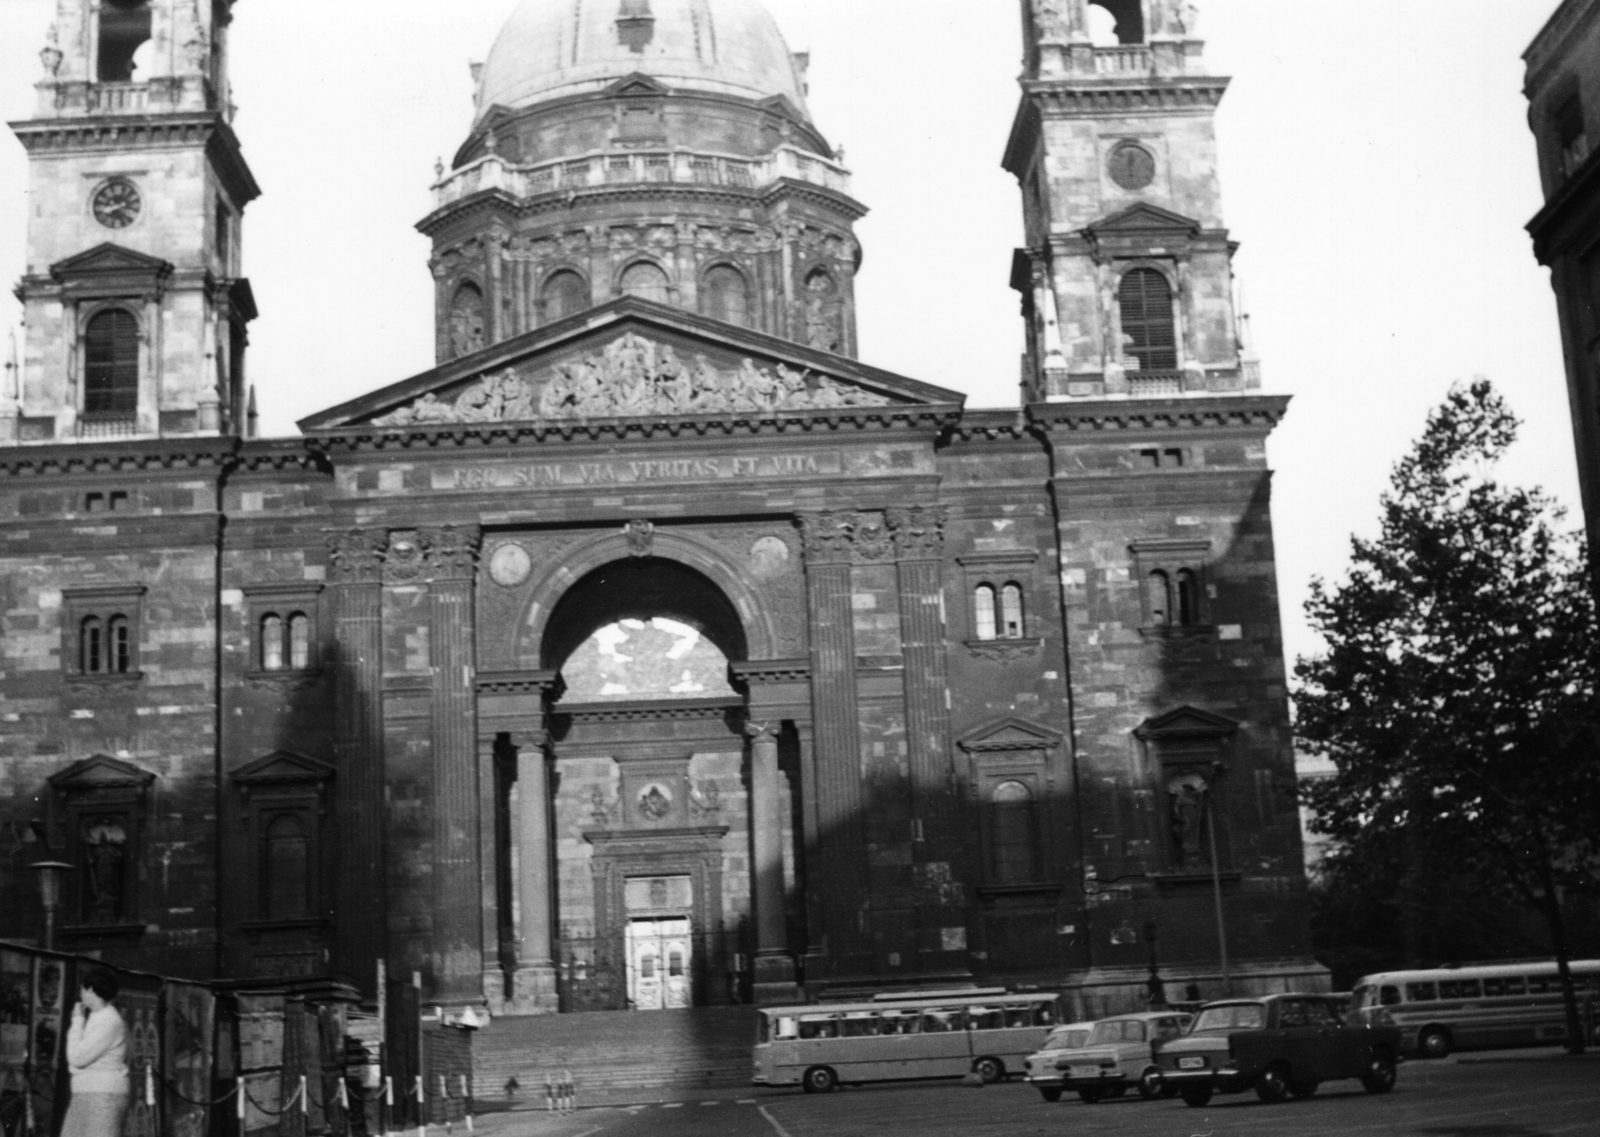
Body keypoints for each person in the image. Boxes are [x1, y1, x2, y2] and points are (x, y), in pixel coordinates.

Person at [61, 968, 129, 1137]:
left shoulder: (109, 1021)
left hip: (103, 1096)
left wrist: (76, 1020)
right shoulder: (98, 1017)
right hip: (88, 1093)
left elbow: (77, 1058)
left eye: (83, 989)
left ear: (90, 989)